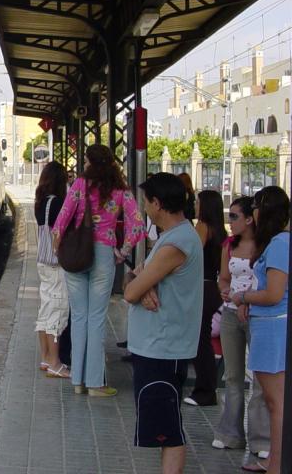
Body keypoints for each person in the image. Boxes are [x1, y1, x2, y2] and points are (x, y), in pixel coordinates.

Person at [124, 172, 204, 474]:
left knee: (168, 431)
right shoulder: (171, 238)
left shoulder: (176, 243)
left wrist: (141, 286)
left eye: (146, 201)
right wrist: (145, 285)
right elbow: (136, 277)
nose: (143, 207)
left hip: (163, 348)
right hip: (156, 346)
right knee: (163, 426)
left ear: (158, 203)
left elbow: (130, 290)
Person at [52, 144, 145, 397]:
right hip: (104, 254)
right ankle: (95, 383)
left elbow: (60, 222)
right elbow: (137, 225)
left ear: (89, 162)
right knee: (96, 318)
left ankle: (78, 381)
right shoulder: (120, 190)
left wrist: (60, 252)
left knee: (79, 317)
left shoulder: (80, 185)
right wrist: (122, 252)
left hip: (76, 254)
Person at [230, 186, 289, 474]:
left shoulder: (279, 244)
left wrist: (243, 297)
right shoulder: (277, 243)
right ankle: (274, 460)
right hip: (267, 326)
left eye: (255, 206)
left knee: (275, 402)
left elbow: (274, 293)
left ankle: (276, 464)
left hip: (272, 328)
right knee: (273, 400)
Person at [213, 196, 270, 462]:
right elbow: (223, 277)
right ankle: (230, 433)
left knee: (259, 378)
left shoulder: (266, 246)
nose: (230, 221)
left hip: (259, 315)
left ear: (250, 219)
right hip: (231, 315)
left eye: (234, 216)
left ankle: (262, 438)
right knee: (233, 376)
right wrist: (225, 290)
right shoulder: (229, 245)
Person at [183, 190, 226, 406]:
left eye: (198, 202)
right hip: (211, 288)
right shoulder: (220, 231)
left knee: (199, 341)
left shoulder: (202, 227)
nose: (195, 205)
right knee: (203, 339)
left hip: (201, 287)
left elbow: (192, 254)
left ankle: (205, 390)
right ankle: (207, 388)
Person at [34, 161, 70, 378]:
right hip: (56, 263)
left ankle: (46, 358)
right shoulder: (57, 203)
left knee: (46, 309)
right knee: (57, 310)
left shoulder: (40, 202)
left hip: (43, 262)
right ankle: (55, 363)